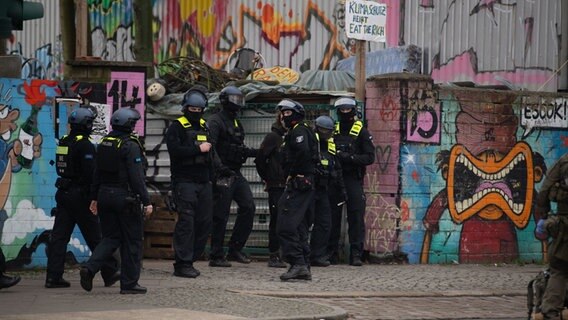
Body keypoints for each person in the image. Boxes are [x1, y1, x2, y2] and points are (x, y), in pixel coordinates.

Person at [80, 107, 153, 294]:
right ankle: (129, 284)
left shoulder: (105, 143)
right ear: (129, 125)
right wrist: (147, 201)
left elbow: (97, 172)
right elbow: (136, 177)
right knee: (133, 241)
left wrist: (94, 197)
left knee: (110, 238)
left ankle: (90, 268)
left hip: (104, 196)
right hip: (125, 199)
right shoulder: (131, 145)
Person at [46, 106, 119, 288]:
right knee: (95, 235)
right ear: (86, 124)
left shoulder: (64, 141)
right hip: (80, 195)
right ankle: (109, 272)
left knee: (59, 237)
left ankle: (53, 277)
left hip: (63, 192)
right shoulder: (84, 144)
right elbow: (90, 173)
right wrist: (94, 196)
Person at [166, 88, 215, 278]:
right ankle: (182, 263)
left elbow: (211, 155)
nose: (195, 113)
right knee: (186, 222)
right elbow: (175, 151)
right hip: (184, 182)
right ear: (185, 108)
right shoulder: (176, 127)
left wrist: (215, 178)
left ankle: (192, 259)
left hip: (204, 182)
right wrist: (197, 149)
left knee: (204, 223)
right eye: (192, 109)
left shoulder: (204, 126)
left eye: (199, 109)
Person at [207, 85, 257, 267]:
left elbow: (239, 147)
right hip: (222, 174)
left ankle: (235, 249)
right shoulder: (215, 121)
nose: (238, 103)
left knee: (249, 207)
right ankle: (216, 255)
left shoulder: (236, 122)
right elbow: (210, 148)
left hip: (235, 172)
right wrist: (220, 168)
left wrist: (258, 153)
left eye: (240, 99)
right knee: (221, 214)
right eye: (235, 99)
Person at [327, 97, 375, 266]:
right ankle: (331, 253)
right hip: (334, 178)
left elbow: (370, 157)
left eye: (348, 110)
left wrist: (350, 158)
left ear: (354, 111)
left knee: (355, 217)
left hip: (353, 178)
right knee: (332, 217)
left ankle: (356, 254)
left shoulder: (361, 131)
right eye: (342, 110)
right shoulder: (334, 129)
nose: (345, 113)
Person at [276, 99, 318, 281]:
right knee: (299, 225)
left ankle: (298, 263)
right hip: (305, 183)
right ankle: (303, 264)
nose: (284, 116)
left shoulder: (299, 130)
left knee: (285, 224)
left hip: (299, 183)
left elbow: (302, 152)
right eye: (282, 113)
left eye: (287, 113)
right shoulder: (301, 130)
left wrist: (293, 173)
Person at [310, 115, 345, 267]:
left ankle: (317, 255)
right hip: (308, 189)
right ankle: (298, 255)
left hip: (324, 190)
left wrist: (341, 188)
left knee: (325, 223)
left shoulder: (330, 147)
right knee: (303, 223)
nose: (326, 133)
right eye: (323, 130)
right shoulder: (311, 144)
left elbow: (337, 168)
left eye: (328, 131)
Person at [536, 153, 568, 320]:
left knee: (559, 269)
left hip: (564, 225)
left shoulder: (564, 162)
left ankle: (550, 312)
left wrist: (543, 215)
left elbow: (545, 189)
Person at [255, 110, 287, 268]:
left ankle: (285, 253)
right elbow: (260, 160)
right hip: (276, 185)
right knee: (276, 220)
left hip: (288, 185)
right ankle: (274, 254)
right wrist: (268, 177)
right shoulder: (273, 137)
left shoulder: (290, 136)